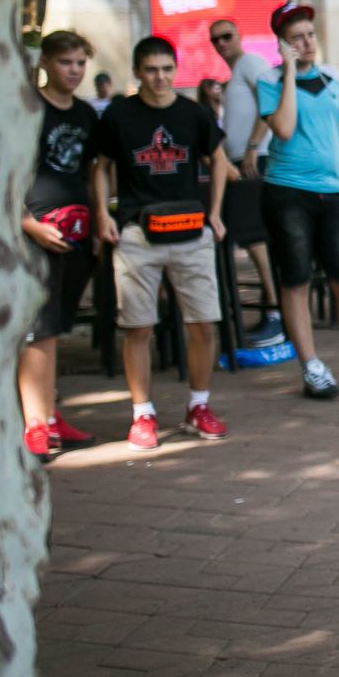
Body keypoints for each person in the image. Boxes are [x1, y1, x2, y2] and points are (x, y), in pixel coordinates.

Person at [92, 36, 236, 452]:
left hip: (191, 230)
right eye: (152, 70)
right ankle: (143, 413)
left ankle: (198, 405)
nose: (160, 78)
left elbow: (219, 160)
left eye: (167, 69)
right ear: (138, 72)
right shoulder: (119, 115)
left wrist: (215, 213)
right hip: (137, 232)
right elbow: (100, 167)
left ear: (176, 70)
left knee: (204, 323)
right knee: (138, 327)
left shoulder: (193, 113)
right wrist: (102, 214)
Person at [259, 2, 339, 399]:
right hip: (287, 193)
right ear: (282, 44)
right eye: (296, 38)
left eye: (309, 35)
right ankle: (312, 366)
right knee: (296, 279)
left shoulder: (332, 80)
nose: (306, 43)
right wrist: (287, 73)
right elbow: (283, 128)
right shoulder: (269, 81)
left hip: (332, 194)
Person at [18, 31, 101, 459]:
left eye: (80, 63)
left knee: (57, 327)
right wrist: (28, 224)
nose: (74, 70)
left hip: (77, 232)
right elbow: (4, 173)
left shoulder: (86, 114)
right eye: (66, 62)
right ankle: (35, 424)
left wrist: (99, 221)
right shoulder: (27, 108)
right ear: (46, 63)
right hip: (36, 232)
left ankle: (50, 414)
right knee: (39, 330)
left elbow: (94, 170)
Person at [210, 19, 281, 341]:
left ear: (239, 35)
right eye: (216, 39)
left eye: (227, 36)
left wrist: (253, 146)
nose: (222, 43)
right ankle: (273, 308)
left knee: (255, 237)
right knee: (252, 236)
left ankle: (275, 309)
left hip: (256, 159)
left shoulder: (251, 62)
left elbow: (272, 102)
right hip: (240, 161)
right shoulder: (235, 73)